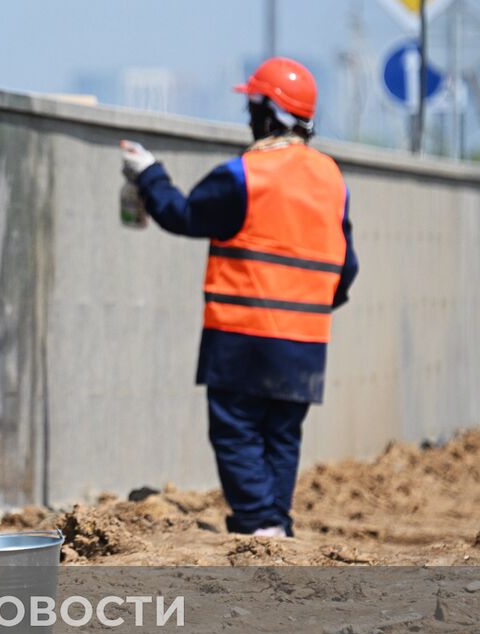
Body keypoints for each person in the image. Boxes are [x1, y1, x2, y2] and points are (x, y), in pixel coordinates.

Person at [120, 57, 358, 538]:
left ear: (268, 113)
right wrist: (311, 305)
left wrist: (149, 174)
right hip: (305, 339)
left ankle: (260, 525)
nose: (248, 119)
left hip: (243, 334)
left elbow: (184, 215)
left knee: (237, 430)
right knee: (282, 434)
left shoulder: (246, 174)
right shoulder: (333, 180)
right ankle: (276, 524)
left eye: (252, 108)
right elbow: (346, 265)